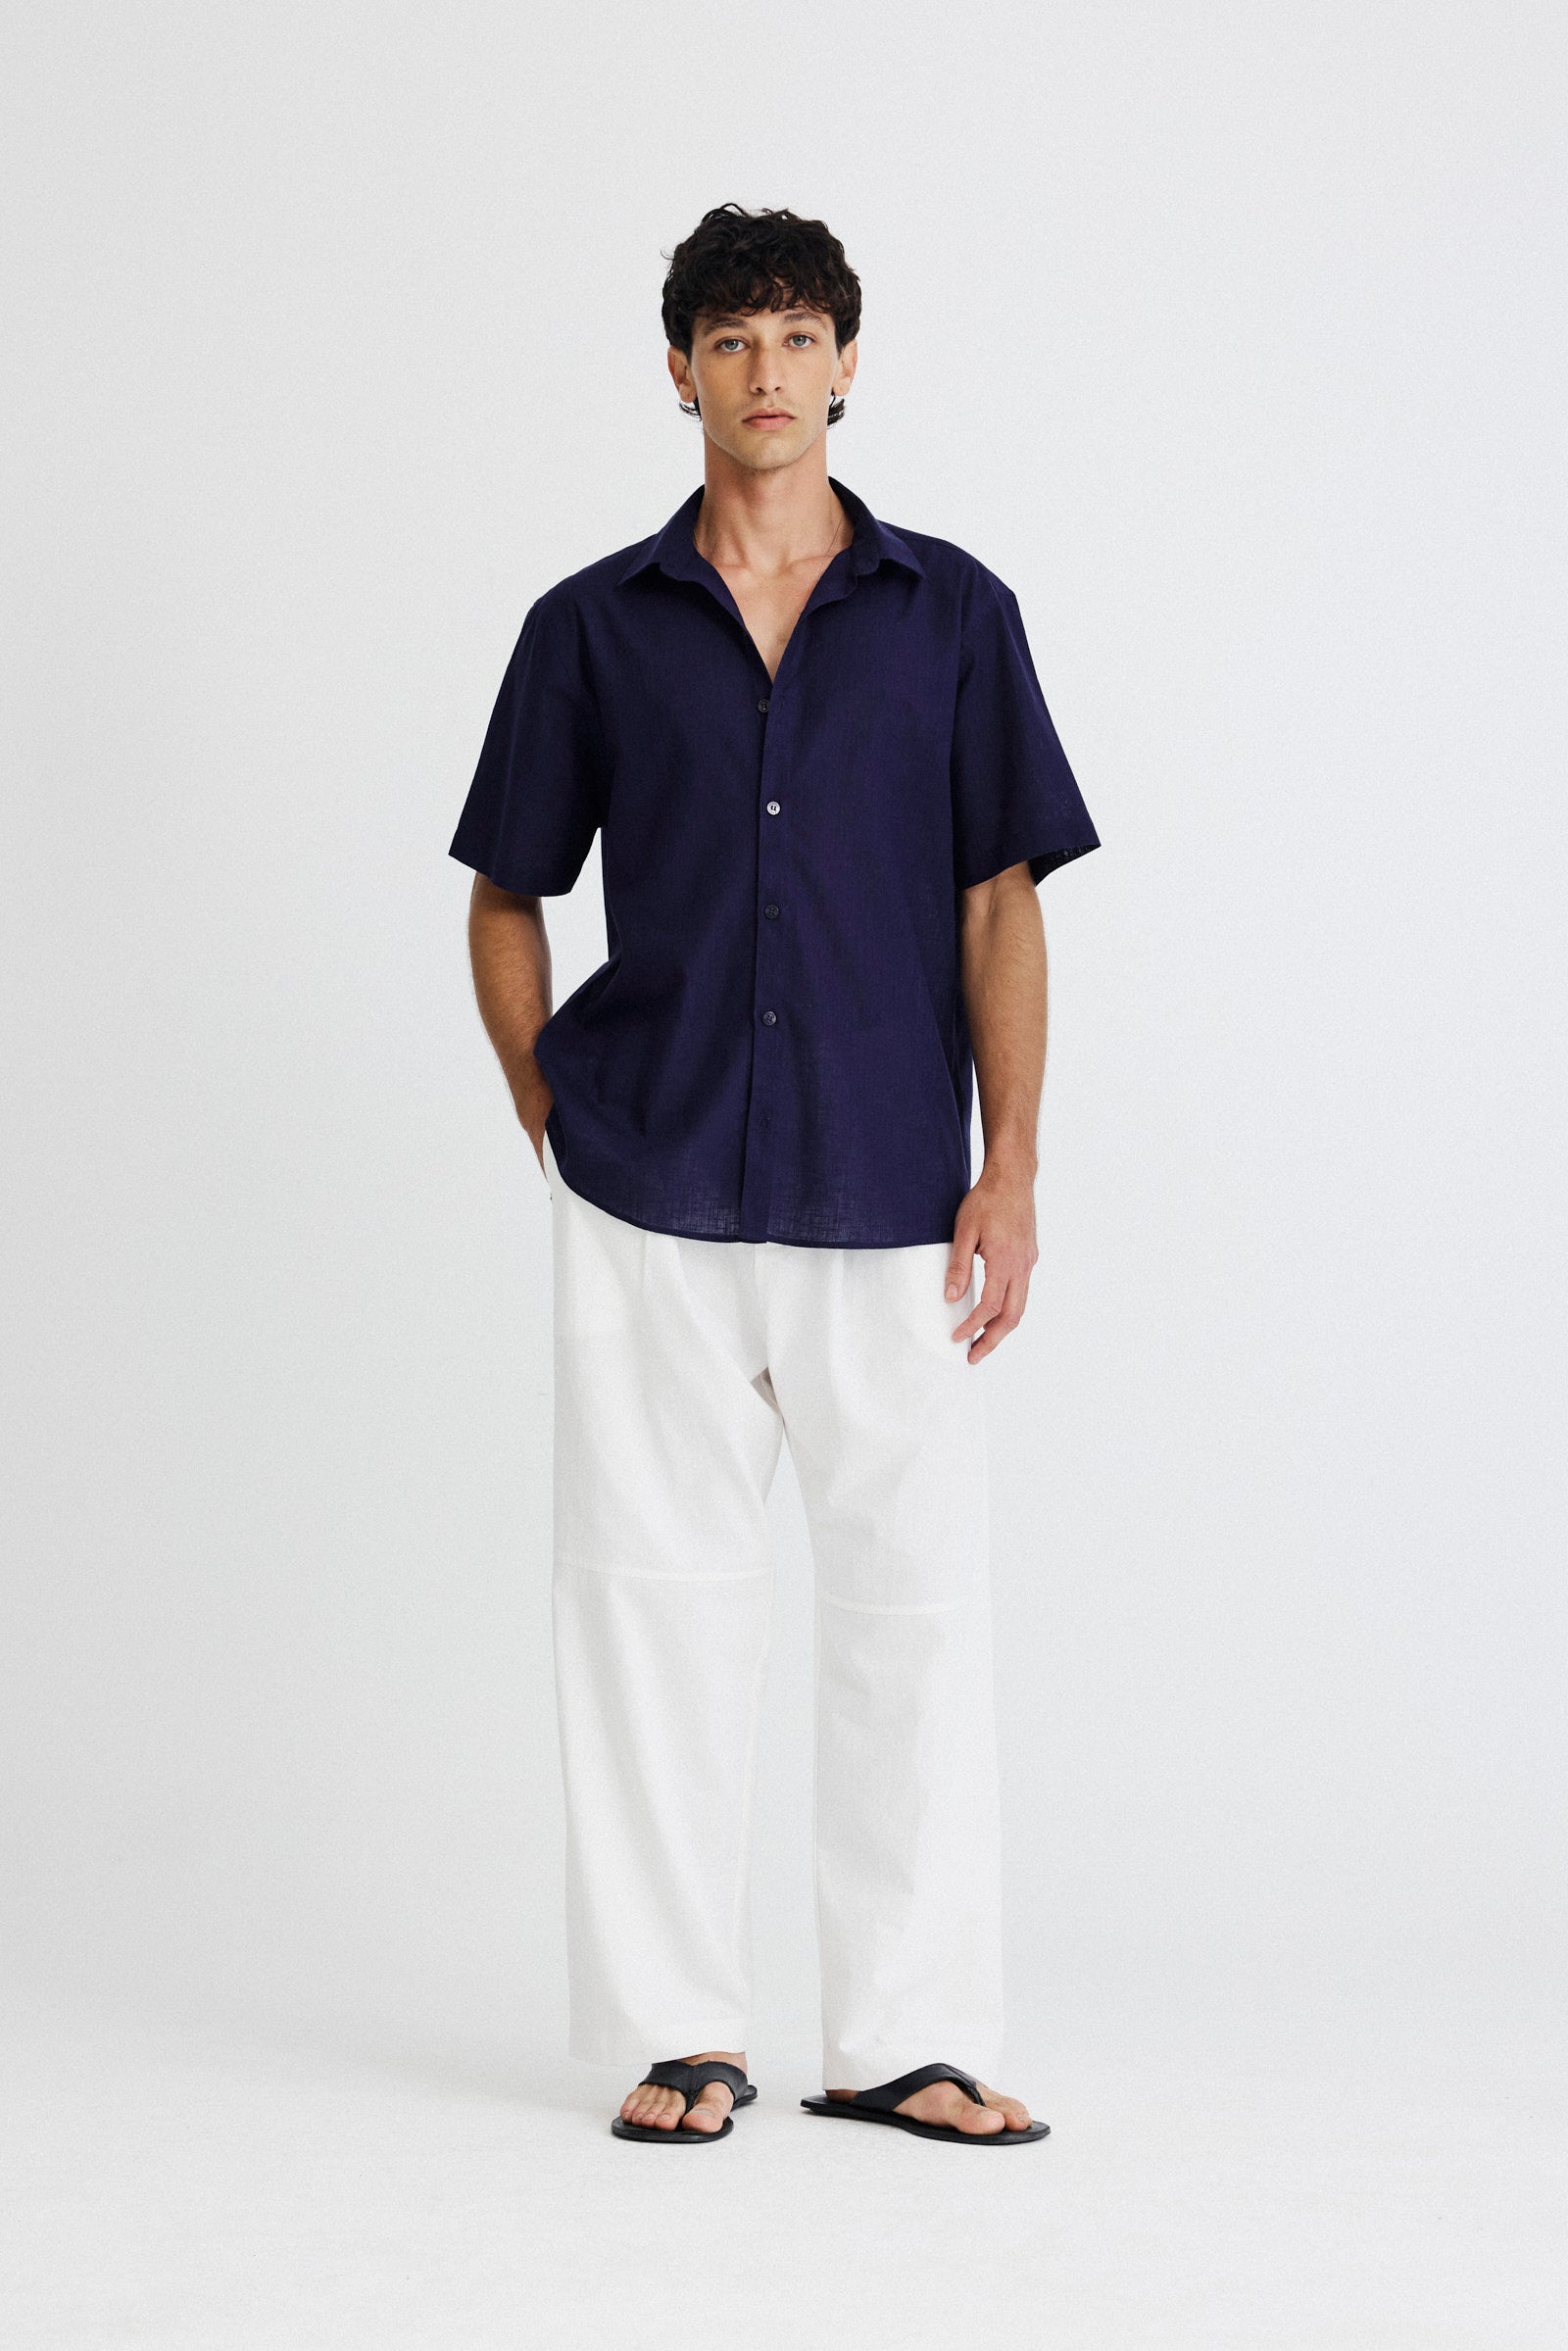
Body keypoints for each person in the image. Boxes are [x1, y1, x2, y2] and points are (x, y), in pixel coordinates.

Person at [450, 202, 1099, 2147]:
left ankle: (904, 2036)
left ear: (845, 365)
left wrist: (1012, 1168)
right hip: (646, 1186)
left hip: (892, 1186)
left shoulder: (952, 615)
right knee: (648, 1603)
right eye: (729, 339)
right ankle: (679, 2031)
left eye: (798, 336)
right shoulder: (587, 627)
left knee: (911, 1611)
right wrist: (547, 1111)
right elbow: (505, 892)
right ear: (679, 371)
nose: (765, 371)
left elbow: (1000, 898)